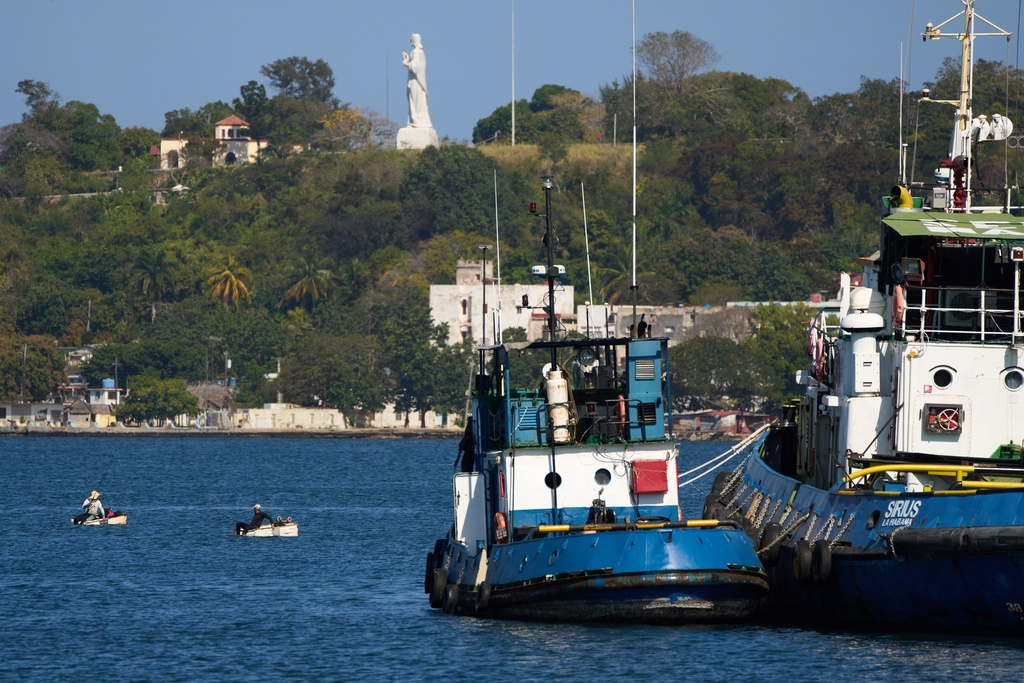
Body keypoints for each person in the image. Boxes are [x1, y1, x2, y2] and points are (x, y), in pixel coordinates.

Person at [401, 33, 432, 128]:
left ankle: (417, 123)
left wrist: (405, 63)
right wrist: (408, 59)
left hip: (416, 82)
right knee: (414, 102)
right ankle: (413, 122)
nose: (410, 40)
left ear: (415, 40)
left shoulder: (417, 52)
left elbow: (415, 67)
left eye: (411, 39)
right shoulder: (417, 52)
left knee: (416, 103)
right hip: (415, 81)